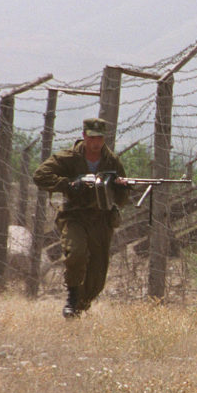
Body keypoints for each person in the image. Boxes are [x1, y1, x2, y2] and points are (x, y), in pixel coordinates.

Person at [33, 117, 130, 318]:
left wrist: (120, 187)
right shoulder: (69, 158)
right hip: (74, 217)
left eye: (100, 138)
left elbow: (121, 200)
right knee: (76, 254)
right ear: (84, 136)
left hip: (101, 220)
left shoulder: (112, 161)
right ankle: (72, 297)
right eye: (92, 138)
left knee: (97, 277)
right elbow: (40, 175)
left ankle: (80, 305)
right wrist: (68, 184)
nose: (96, 143)